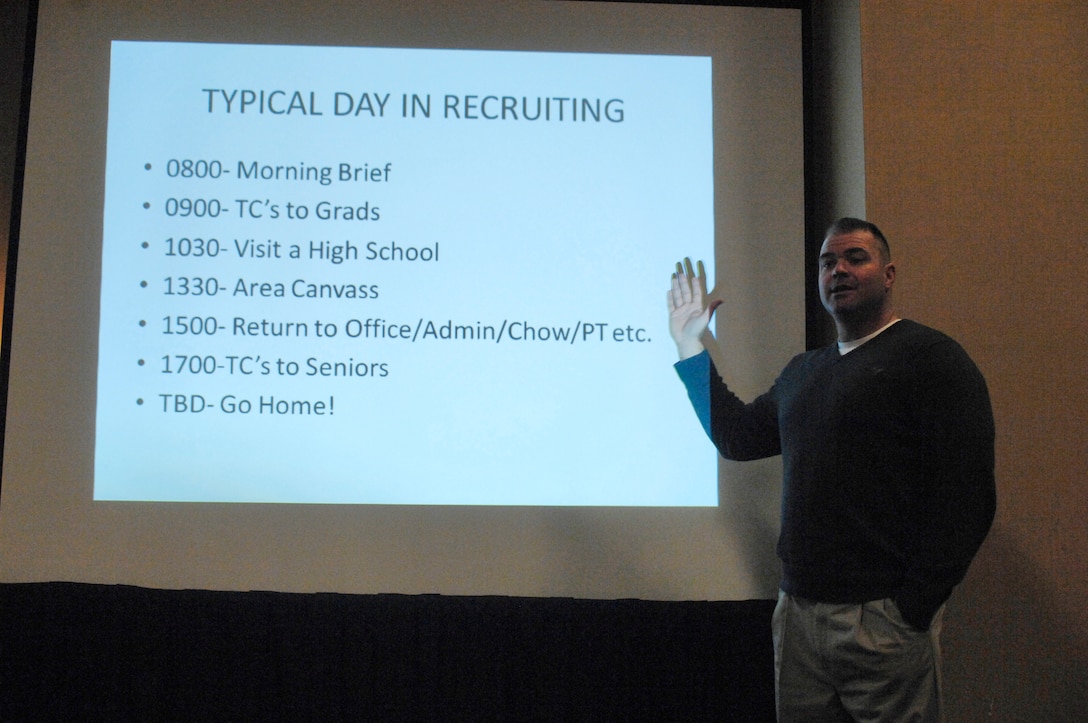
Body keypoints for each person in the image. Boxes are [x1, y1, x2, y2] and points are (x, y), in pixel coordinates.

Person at [668, 218, 995, 722]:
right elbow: (736, 437)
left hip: (882, 622)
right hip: (798, 617)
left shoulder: (932, 359)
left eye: (855, 258)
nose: (838, 269)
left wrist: (911, 609)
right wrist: (690, 343)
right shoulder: (805, 371)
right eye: (827, 263)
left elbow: (970, 497)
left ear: (888, 275)